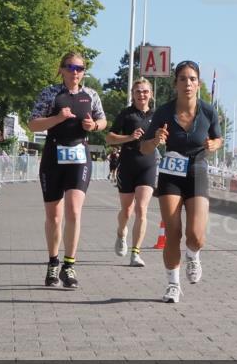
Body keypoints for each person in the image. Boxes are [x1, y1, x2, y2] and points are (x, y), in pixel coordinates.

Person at [140, 61, 222, 303]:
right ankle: (173, 284)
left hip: (197, 171)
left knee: (196, 236)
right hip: (171, 173)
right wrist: (156, 140)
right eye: (183, 79)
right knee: (173, 231)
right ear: (175, 83)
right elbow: (144, 148)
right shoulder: (163, 113)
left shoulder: (208, 112)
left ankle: (193, 255)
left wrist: (213, 144)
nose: (188, 83)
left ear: (198, 83)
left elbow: (219, 138)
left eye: (193, 79)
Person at [27, 52, 106, 289]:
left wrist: (94, 125)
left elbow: (103, 121)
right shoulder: (50, 93)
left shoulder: (90, 95)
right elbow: (33, 123)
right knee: (54, 215)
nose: (75, 72)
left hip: (79, 155)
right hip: (53, 154)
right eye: (70, 67)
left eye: (80, 68)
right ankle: (53, 262)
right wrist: (57, 118)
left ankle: (69, 265)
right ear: (61, 69)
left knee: (74, 210)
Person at [106, 78, 157, 267]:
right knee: (127, 210)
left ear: (151, 94)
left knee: (141, 209)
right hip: (128, 164)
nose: (141, 94)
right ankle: (121, 233)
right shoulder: (126, 114)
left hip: (148, 164)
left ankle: (136, 253)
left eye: (145, 91)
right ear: (133, 95)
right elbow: (110, 137)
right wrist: (129, 137)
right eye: (138, 91)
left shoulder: (157, 115)